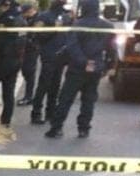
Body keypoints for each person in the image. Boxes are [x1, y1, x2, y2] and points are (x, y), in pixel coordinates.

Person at [45, 0, 115, 138]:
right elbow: (111, 49)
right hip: (96, 67)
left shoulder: (78, 25)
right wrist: (108, 66)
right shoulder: (108, 25)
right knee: (88, 100)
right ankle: (84, 129)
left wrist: (84, 62)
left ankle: (56, 128)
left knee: (65, 98)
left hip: (77, 68)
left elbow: (72, 47)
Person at [0, 0, 28, 127]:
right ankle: (5, 122)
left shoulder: (6, 19)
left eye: (2, 6)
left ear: (7, 5)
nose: (0, 9)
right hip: (16, 60)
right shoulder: (21, 19)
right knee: (8, 93)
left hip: (4, 60)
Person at [30, 0, 73, 124]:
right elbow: (38, 35)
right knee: (44, 85)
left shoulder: (65, 16)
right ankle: (36, 113)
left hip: (61, 56)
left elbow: (68, 35)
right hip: (48, 55)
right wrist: (54, 29)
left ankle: (51, 112)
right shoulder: (44, 16)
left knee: (55, 86)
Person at [17, 1, 43, 105]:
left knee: (29, 72)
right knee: (26, 71)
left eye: (24, 13)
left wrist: (26, 38)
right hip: (27, 48)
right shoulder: (28, 18)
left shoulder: (38, 19)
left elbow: (35, 35)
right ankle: (28, 96)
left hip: (33, 48)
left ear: (30, 11)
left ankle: (28, 97)